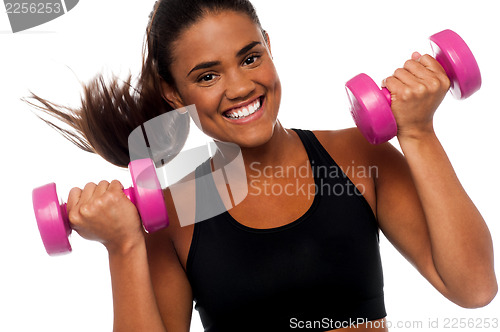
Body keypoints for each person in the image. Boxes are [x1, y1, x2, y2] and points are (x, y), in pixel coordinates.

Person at [27, 0, 497, 331]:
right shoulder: (172, 215)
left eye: (250, 57)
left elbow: (474, 289)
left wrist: (417, 132)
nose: (239, 87)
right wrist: (123, 246)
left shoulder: (358, 157)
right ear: (174, 93)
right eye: (207, 75)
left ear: (269, 46)